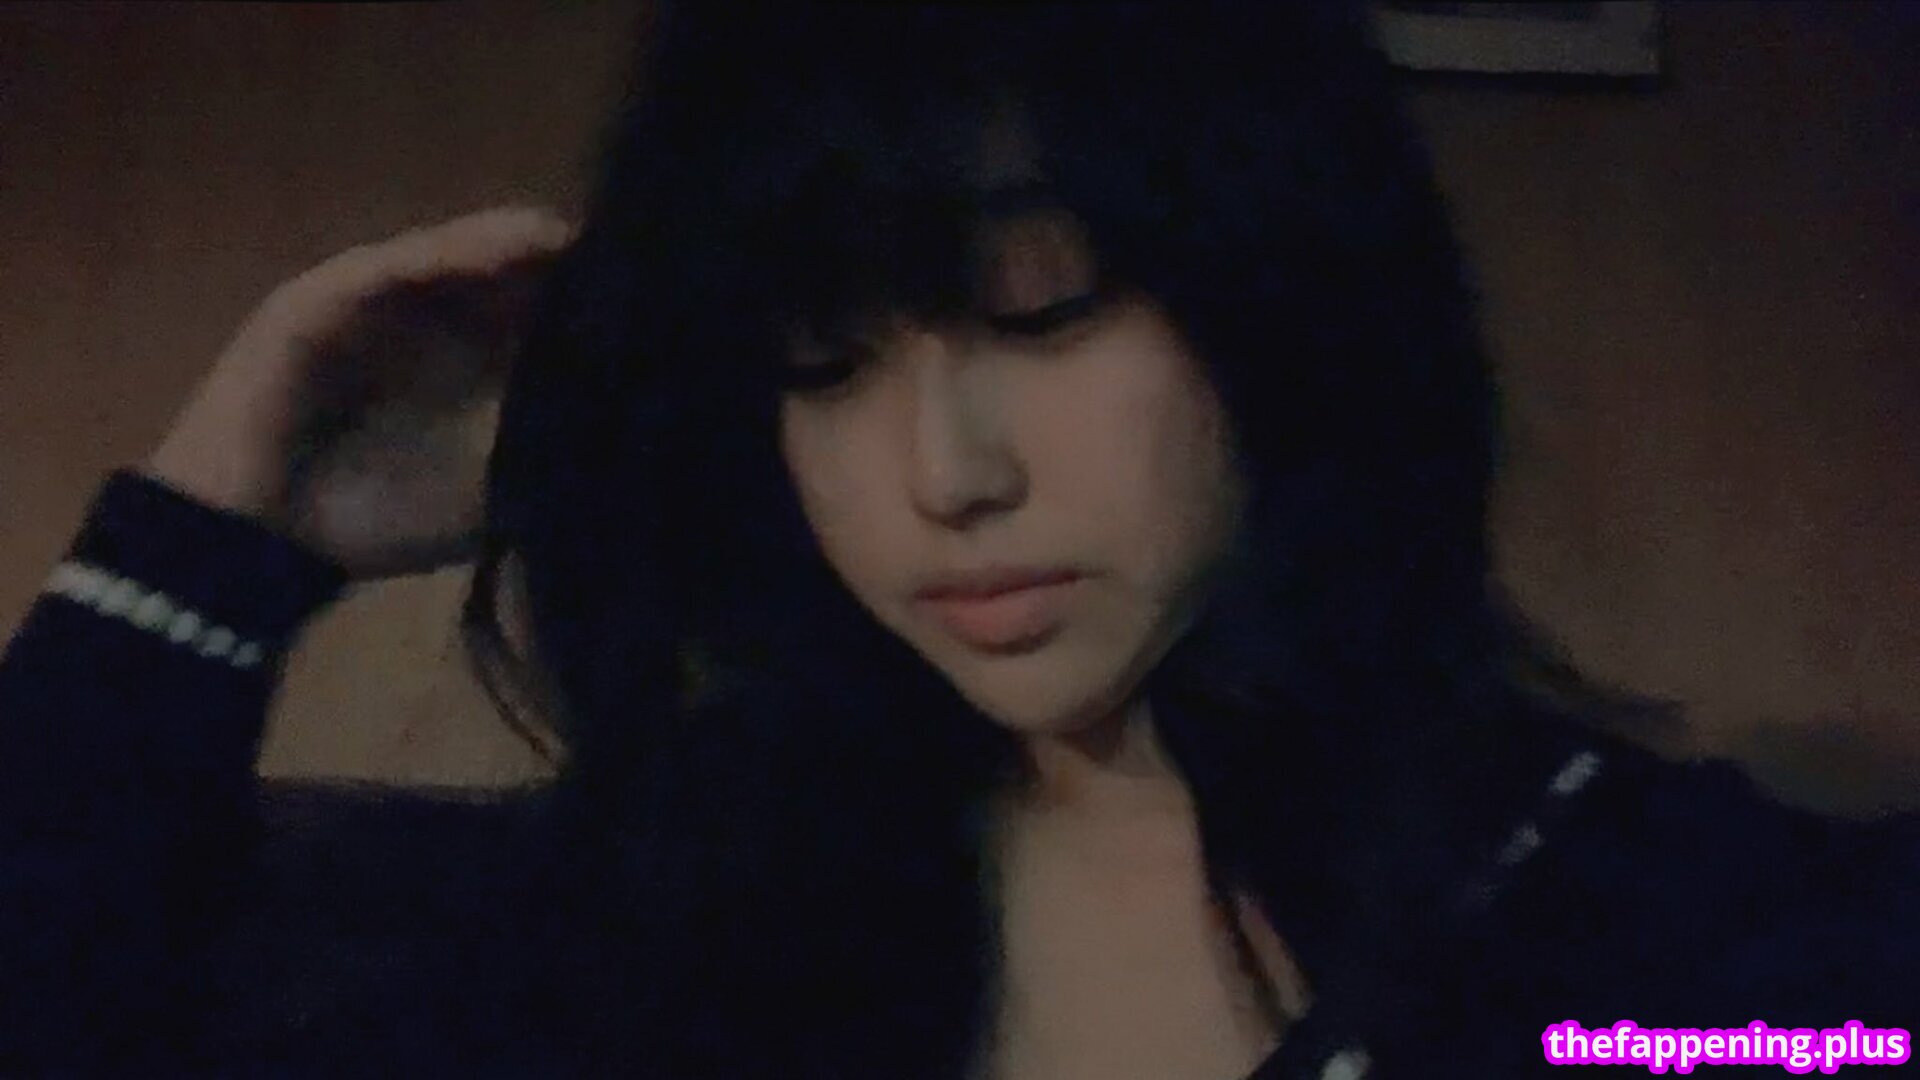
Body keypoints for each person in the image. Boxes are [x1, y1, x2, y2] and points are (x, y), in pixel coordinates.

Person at [1, 4, 1912, 1078]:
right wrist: (218, 542)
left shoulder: (1698, 949)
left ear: (1290, 302)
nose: (945, 475)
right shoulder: (654, 917)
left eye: (1043, 314)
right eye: (823, 360)